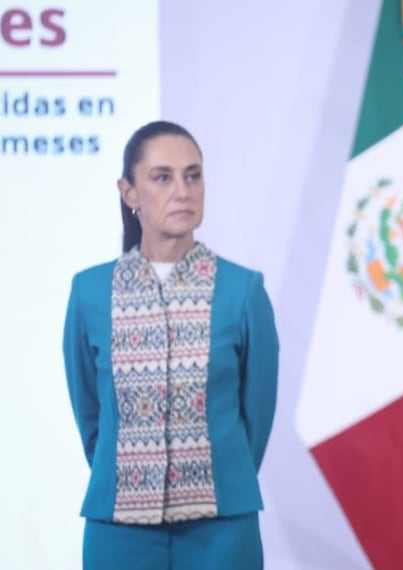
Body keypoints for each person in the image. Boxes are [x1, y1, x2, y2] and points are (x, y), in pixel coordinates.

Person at [62, 121, 280, 569]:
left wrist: (218, 476)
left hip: (222, 531)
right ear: (130, 193)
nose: (182, 190)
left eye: (193, 175)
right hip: (118, 531)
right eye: (163, 177)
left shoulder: (243, 290)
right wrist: (129, 473)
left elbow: (255, 417)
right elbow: (91, 416)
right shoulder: (90, 293)